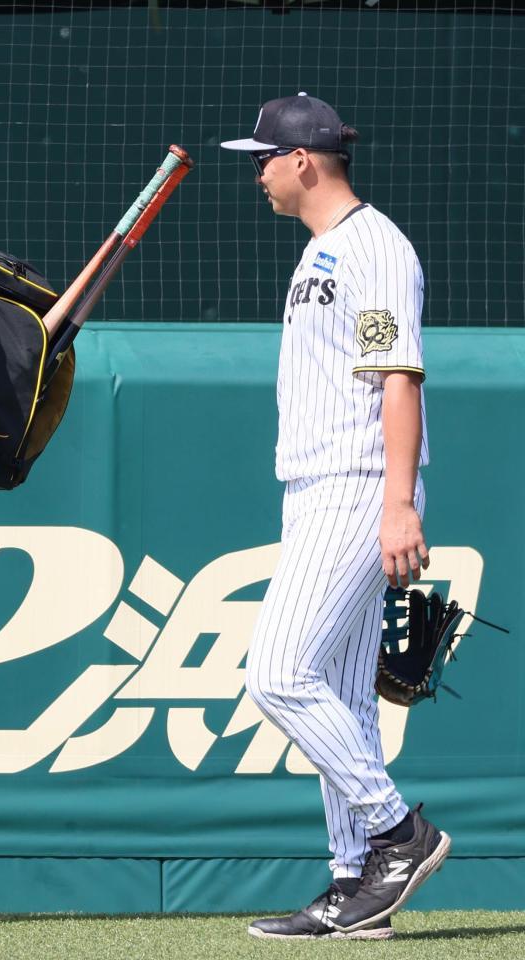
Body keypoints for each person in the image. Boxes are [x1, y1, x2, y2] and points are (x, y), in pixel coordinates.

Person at [220, 93, 449, 940]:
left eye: (264, 158)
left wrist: (396, 505)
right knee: (346, 697)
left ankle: (397, 832)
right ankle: (357, 885)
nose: (259, 172)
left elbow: (400, 378)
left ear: (304, 161)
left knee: (278, 673)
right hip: (323, 485)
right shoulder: (326, 248)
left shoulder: (374, 247)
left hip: (357, 485)